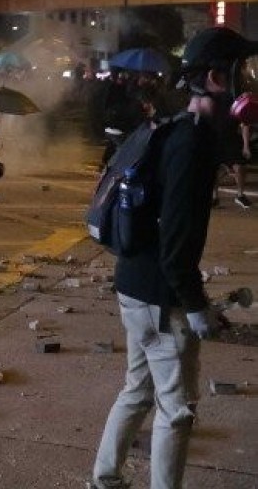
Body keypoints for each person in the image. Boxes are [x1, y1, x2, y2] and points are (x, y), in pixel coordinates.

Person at [90, 26, 258, 489]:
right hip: (162, 301)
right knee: (177, 412)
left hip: (134, 287)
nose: (245, 81)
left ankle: (104, 479)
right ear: (214, 79)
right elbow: (178, 244)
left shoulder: (177, 129)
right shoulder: (191, 146)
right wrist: (196, 306)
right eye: (238, 72)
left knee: (137, 390)